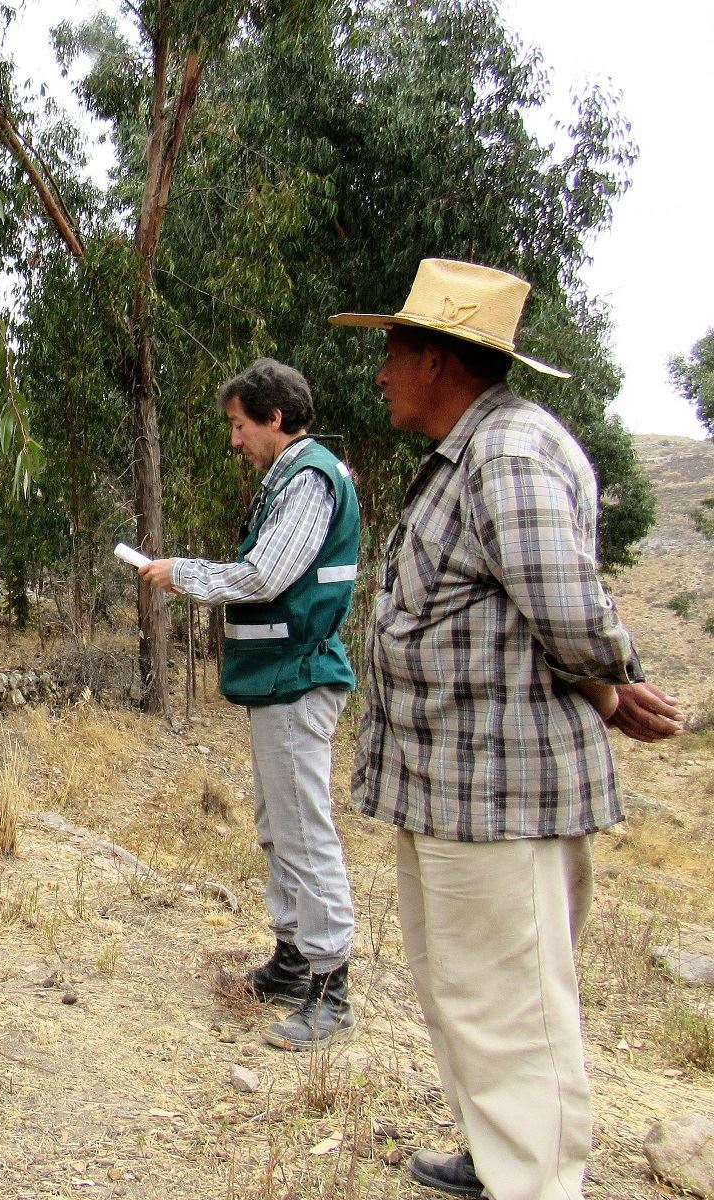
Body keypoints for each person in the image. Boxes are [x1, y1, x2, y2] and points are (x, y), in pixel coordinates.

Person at [331, 258, 684, 1200]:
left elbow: (568, 609)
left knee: (514, 1010)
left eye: (395, 352)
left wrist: (613, 687)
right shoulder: (477, 450)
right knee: (464, 993)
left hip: (502, 796)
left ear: (441, 362)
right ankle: (495, 1157)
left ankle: (534, 1180)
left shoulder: (506, 455)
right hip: (456, 790)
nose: (381, 372)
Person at [138, 357, 362, 1052]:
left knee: (303, 830)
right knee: (279, 822)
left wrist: (185, 575)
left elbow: (265, 575)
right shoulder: (294, 479)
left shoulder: (308, 480)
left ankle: (330, 988)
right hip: (279, 680)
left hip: (298, 676)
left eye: (239, 425)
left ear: (274, 418)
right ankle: (294, 959)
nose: (233, 440)